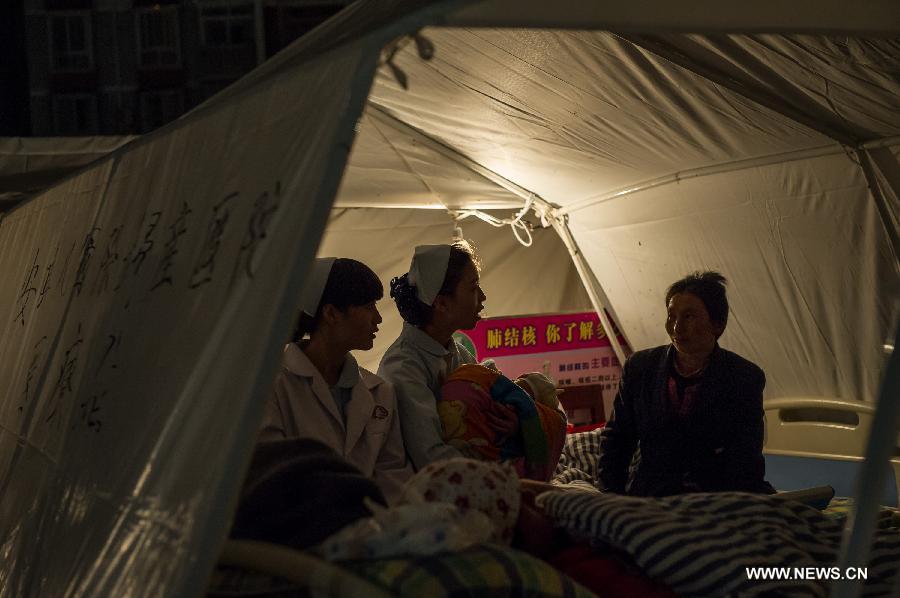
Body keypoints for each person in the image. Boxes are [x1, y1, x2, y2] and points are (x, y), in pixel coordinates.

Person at [597, 271, 774, 496]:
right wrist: (611, 498)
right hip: (652, 495)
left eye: (689, 317)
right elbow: (617, 438)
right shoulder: (641, 369)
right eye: (671, 316)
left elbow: (746, 459)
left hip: (717, 496)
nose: (676, 328)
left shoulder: (743, 377)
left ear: (717, 324)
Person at [259, 257, 412, 503]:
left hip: (371, 528)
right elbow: (273, 472)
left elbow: (392, 475)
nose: (378, 318)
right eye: (367, 306)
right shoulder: (271, 386)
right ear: (331, 313)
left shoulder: (381, 392)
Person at [378, 241, 517, 470]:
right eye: (473, 288)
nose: (482, 297)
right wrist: (500, 475)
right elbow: (431, 457)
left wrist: (510, 424)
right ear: (442, 303)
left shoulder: (457, 354)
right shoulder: (402, 368)